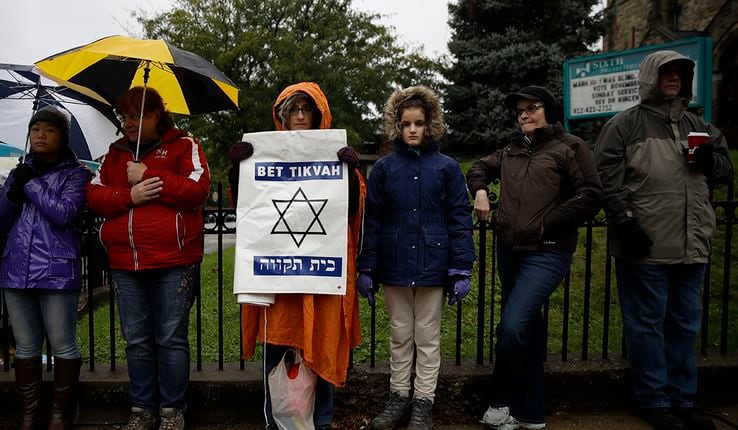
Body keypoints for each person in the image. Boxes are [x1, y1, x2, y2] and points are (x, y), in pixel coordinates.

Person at [594, 51, 732, 430]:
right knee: (647, 325)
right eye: (666, 73)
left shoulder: (698, 124)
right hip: (646, 244)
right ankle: (653, 400)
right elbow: (607, 178)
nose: (673, 79)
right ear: (650, 78)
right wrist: (625, 222)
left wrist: (710, 162)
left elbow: (724, 171)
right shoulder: (624, 125)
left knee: (685, 325)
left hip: (692, 243)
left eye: (679, 74)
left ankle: (682, 400)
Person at [228, 82, 365, 430]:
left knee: (322, 347)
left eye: (307, 109)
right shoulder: (266, 156)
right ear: (282, 117)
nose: (301, 116)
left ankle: (320, 423)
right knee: (277, 347)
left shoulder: (335, 156)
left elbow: (351, 212)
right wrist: (238, 168)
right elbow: (248, 206)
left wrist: (348, 173)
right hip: (279, 282)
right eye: (294, 110)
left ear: (319, 115)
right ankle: (278, 422)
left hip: (321, 278)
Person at [467, 86, 602, 430]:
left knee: (512, 326)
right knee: (528, 326)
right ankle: (530, 412)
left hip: (548, 251)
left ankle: (499, 402)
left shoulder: (570, 147)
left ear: (549, 111)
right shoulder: (511, 150)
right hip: (509, 250)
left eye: (533, 108)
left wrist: (547, 222)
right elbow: (478, 168)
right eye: (520, 111)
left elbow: (591, 195)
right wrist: (481, 190)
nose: (525, 115)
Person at [87, 86, 210, 430]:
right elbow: (94, 196)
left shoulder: (186, 146)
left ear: (159, 116)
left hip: (174, 261)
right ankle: (142, 410)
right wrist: (131, 195)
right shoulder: (113, 155)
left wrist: (149, 175)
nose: (129, 122)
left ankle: (172, 411)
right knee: (136, 340)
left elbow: (197, 190)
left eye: (139, 115)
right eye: (125, 116)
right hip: (126, 263)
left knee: (171, 339)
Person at [357, 85, 475, 430]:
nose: (412, 129)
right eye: (406, 123)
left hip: (433, 264)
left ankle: (423, 400)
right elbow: (372, 219)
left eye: (419, 123)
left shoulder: (446, 168)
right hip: (394, 264)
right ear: (397, 125)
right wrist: (367, 265)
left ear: (430, 125)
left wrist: (461, 267)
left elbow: (459, 215)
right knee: (399, 333)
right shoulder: (383, 169)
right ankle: (398, 395)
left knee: (427, 336)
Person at [0, 106, 92, 430]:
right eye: (35, 129)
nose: (40, 135)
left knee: (63, 343)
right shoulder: (20, 172)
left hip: (56, 272)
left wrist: (32, 185)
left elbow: (64, 214)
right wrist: (13, 191)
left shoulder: (76, 175)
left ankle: (61, 414)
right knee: (25, 346)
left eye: (49, 129)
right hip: (16, 269)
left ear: (63, 136)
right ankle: (29, 414)